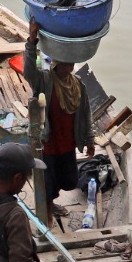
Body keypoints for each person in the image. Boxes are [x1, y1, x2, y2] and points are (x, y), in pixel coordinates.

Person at [25, 20, 95, 201]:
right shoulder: (44, 80)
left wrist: (90, 140)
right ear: (56, 63)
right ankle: (47, 210)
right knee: (48, 185)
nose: (70, 66)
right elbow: (28, 71)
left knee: (70, 181)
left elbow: (86, 113)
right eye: (65, 63)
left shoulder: (78, 84)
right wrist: (31, 41)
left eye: (71, 63)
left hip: (68, 143)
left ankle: (51, 203)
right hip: (48, 142)